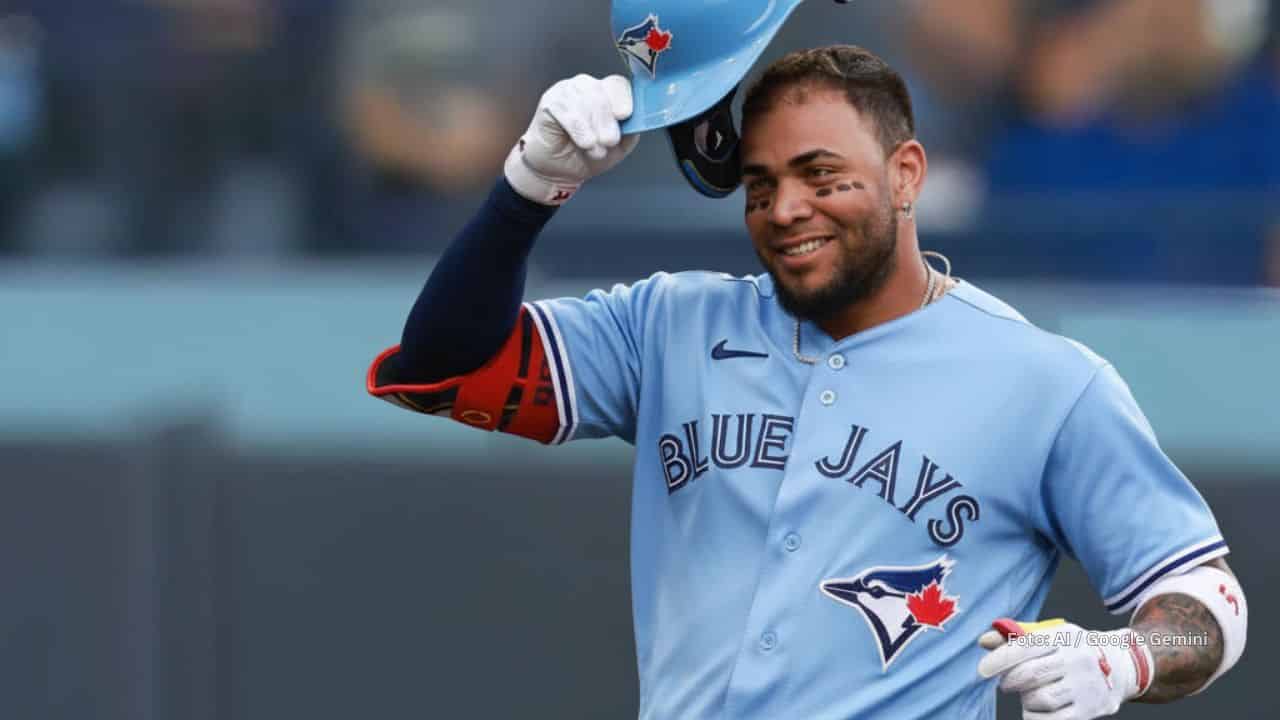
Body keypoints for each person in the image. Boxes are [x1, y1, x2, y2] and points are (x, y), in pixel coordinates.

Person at [365, 40, 1246, 720]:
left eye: (822, 175)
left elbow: (1209, 607)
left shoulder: (1046, 383)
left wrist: (1126, 658)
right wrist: (530, 186)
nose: (787, 208)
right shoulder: (671, 324)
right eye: (760, 184)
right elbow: (446, 362)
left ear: (905, 175)